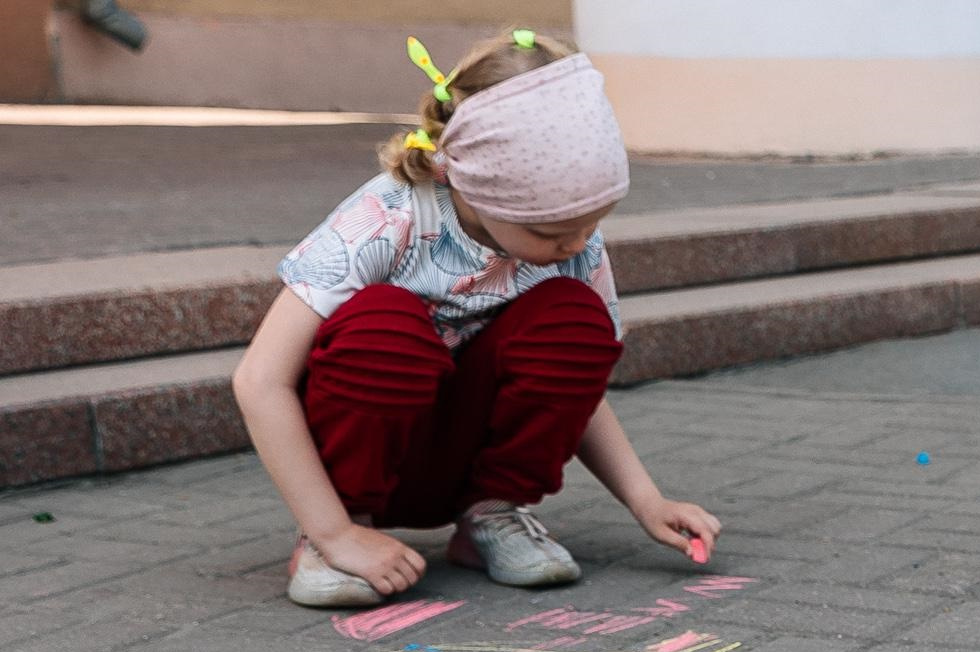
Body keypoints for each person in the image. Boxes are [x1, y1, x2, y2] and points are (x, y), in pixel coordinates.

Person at [232, 28, 719, 608]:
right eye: (550, 231)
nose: (576, 244)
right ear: (464, 182)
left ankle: (492, 517)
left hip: (466, 456)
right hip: (363, 464)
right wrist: (335, 529)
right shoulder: (386, 219)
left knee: (574, 318)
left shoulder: (572, 242)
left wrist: (647, 500)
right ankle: (332, 540)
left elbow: (575, 380)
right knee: (383, 324)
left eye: (590, 224)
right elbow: (259, 382)